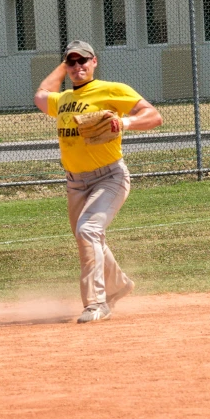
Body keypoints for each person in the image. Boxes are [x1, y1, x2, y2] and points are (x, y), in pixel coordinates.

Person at [34, 40, 163, 323]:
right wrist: (63, 65)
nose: (78, 66)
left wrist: (124, 122)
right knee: (87, 237)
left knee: (88, 231)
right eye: (72, 62)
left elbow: (154, 116)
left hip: (109, 176)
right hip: (76, 183)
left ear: (95, 62)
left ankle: (96, 303)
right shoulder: (64, 100)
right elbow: (41, 94)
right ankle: (118, 285)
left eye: (84, 60)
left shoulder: (111, 89)